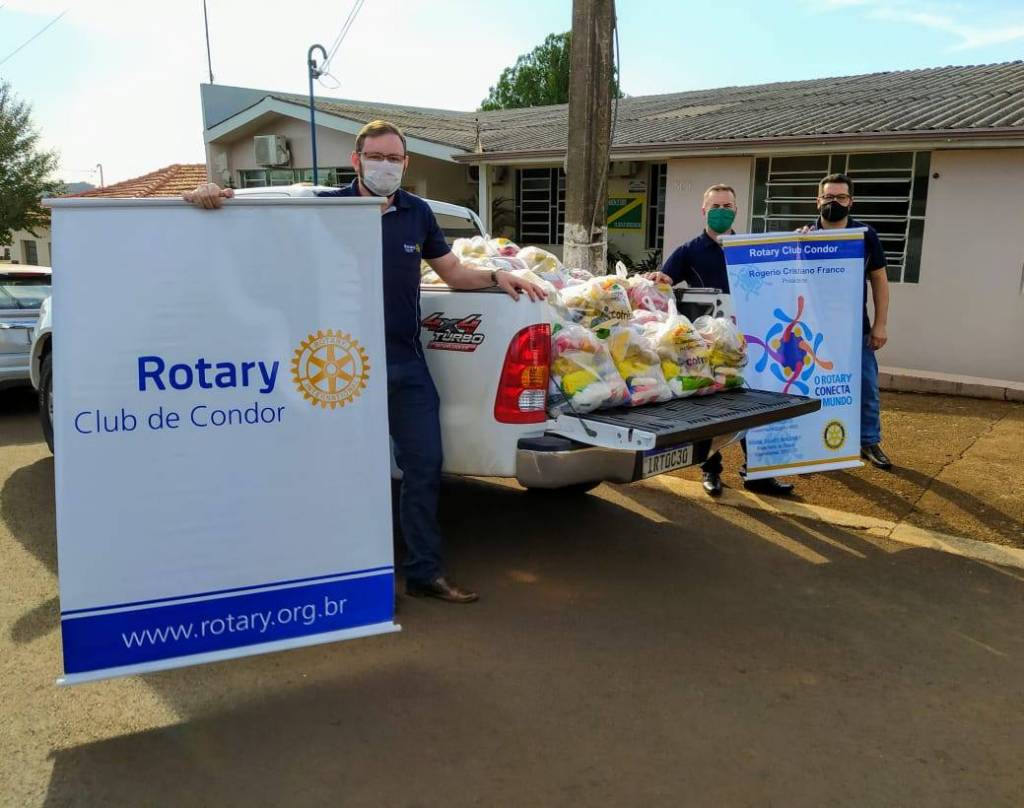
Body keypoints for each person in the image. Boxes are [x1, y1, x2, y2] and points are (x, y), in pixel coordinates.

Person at [185, 120, 547, 603]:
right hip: (342, 368)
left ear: (406, 163)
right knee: (345, 473)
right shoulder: (324, 210)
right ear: (356, 161)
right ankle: (350, 580)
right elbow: (256, 227)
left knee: (425, 465)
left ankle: (424, 574)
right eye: (376, 157)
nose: (385, 166)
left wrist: (498, 277)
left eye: (394, 158)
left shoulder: (417, 212)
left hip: (405, 363)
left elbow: (454, 273)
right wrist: (214, 199)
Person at [648, 184, 794, 497]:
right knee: (710, 409)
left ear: (736, 210)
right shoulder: (689, 250)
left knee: (753, 404)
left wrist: (801, 241)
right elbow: (666, 280)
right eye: (715, 206)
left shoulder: (749, 249)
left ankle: (758, 473)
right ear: (704, 210)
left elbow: (781, 271)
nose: (721, 211)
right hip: (709, 345)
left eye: (727, 206)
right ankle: (710, 470)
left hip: (748, 341)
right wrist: (658, 279)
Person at [809, 173, 892, 470]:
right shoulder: (805, 236)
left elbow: (879, 280)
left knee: (866, 388)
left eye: (841, 197)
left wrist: (880, 324)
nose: (834, 202)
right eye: (828, 197)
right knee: (813, 389)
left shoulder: (865, 236)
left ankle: (868, 441)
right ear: (818, 201)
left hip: (856, 330)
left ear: (851, 201)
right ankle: (812, 444)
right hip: (814, 333)